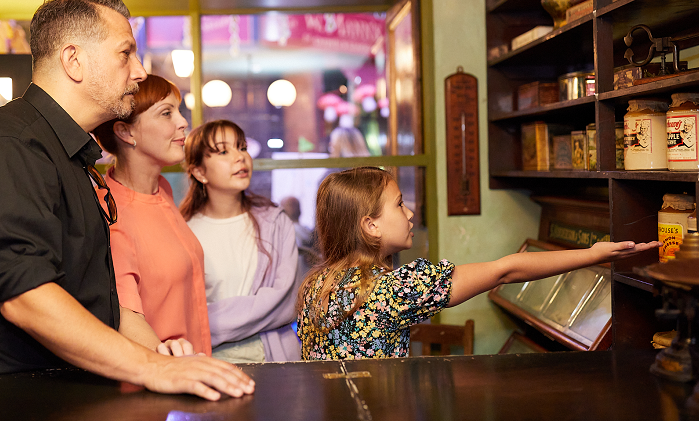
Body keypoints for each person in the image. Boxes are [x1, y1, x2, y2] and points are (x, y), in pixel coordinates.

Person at [0, 0, 253, 400]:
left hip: (65, 386)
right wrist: (154, 368)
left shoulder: (75, 158)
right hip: (1, 395)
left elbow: (101, 302)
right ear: (74, 60)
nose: (139, 71)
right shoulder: (4, 144)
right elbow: (25, 296)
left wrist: (164, 358)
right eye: (125, 54)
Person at [296, 167, 660, 360]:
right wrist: (594, 254)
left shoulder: (314, 285)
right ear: (370, 225)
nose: (410, 212)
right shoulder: (394, 289)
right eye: (400, 204)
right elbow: (506, 270)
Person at [90, 74, 211, 355]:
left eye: (178, 111)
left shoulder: (161, 189)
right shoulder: (110, 212)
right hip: (163, 368)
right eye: (166, 113)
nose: (183, 122)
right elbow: (124, 315)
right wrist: (165, 361)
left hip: (193, 365)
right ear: (126, 132)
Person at [179, 120, 303, 363]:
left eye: (242, 147)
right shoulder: (182, 231)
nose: (240, 157)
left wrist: (205, 323)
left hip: (273, 363)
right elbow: (178, 314)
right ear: (199, 172)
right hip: (207, 365)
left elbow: (285, 302)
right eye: (223, 151)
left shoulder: (276, 223)